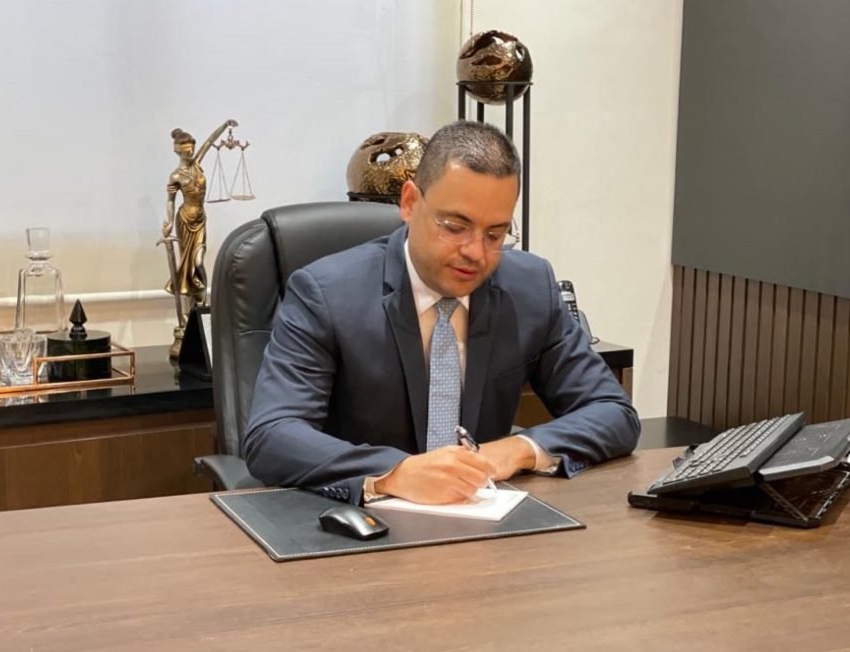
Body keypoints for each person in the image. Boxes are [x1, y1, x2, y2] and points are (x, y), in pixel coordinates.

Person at [245, 120, 640, 505]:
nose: (476, 252)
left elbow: (613, 412)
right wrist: (394, 473)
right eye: (454, 227)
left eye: (495, 234)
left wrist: (518, 448)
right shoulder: (326, 294)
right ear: (409, 203)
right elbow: (272, 435)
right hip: (363, 524)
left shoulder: (530, 288)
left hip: (482, 517)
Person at [162, 119, 236, 318]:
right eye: (186, 151)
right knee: (188, 266)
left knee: (199, 261)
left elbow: (210, 141)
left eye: (192, 150)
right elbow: (170, 201)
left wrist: (224, 126)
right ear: (178, 151)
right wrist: (169, 223)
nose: (190, 153)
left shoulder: (197, 164)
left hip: (201, 219)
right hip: (185, 220)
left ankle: (203, 301)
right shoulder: (175, 176)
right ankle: (190, 309)